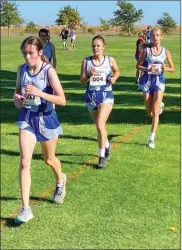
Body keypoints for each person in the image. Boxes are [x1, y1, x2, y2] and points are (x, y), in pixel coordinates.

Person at [13, 36, 67, 223]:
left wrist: (39, 93)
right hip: (27, 118)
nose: (27, 57)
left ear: (40, 53)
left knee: (49, 159)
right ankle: (25, 208)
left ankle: (60, 180)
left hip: (46, 119)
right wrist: (18, 100)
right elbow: (17, 95)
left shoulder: (48, 71)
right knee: (25, 161)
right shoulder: (21, 70)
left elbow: (62, 100)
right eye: (25, 53)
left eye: (31, 53)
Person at [80, 35, 120, 168]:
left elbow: (117, 71)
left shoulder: (109, 60)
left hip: (106, 95)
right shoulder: (86, 61)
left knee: (100, 123)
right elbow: (82, 79)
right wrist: (89, 76)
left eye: (98, 45)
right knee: (98, 126)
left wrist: (114, 78)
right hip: (91, 96)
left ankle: (101, 157)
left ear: (103, 47)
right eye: (93, 46)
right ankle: (107, 144)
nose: (95, 48)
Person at [136, 27, 175, 149]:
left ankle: (151, 138)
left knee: (155, 111)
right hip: (147, 82)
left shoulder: (165, 51)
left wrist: (165, 68)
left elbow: (172, 68)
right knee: (150, 112)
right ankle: (159, 107)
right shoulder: (147, 51)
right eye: (153, 36)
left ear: (161, 37)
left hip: (159, 82)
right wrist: (146, 69)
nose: (156, 38)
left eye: (158, 35)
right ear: (150, 37)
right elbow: (138, 66)